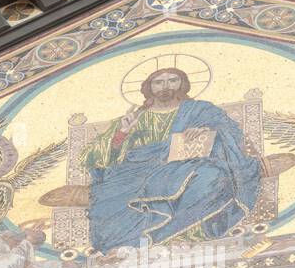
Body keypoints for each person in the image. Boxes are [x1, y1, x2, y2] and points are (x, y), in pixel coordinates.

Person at [82, 67, 261, 254]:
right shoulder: (135, 117)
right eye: (158, 82)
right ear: (149, 88)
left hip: (188, 165)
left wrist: (206, 130)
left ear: (182, 84)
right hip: (139, 171)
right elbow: (98, 158)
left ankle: (179, 234)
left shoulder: (200, 110)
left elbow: (231, 132)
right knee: (111, 195)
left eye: (172, 80)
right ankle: (132, 241)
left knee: (214, 177)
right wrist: (123, 132)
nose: (165, 86)